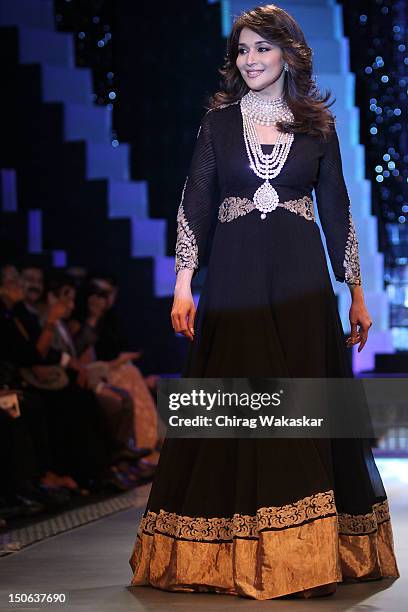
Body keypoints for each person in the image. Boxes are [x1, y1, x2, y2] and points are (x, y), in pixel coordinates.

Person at [129, 4, 399, 600]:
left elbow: (338, 214)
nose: (250, 60)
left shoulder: (317, 127)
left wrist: (355, 292)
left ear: (288, 54)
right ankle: (237, 557)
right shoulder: (218, 126)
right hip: (237, 282)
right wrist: (183, 282)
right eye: (242, 51)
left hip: (303, 283)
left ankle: (303, 560)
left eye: (262, 49)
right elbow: (194, 203)